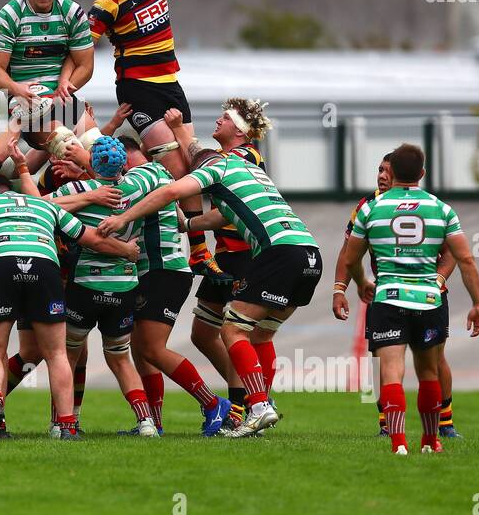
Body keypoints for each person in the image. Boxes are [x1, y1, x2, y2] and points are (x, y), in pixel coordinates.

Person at [101, 143, 322, 437]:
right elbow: (225, 215)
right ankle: (260, 406)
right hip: (309, 253)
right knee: (262, 333)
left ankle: (257, 407)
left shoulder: (218, 167)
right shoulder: (252, 172)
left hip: (278, 252)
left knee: (232, 329)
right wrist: (189, 223)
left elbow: (170, 192)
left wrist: (123, 218)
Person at [87, 0, 230, 282]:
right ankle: (198, 251)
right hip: (137, 90)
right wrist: (65, 80)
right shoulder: (109, 2)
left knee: (193, 168)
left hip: (171, 85)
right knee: (176, 164)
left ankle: (198, 244)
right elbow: (83, 44)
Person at [0, 173, 138, 441]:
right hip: (44, 265)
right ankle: (67, 426)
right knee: (56, 353)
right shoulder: (45, 205)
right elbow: (92, 239)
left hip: (1, 265)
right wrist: (126, 251)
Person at [341, 143, 479, 455]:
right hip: (429, 300)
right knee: (428, 372)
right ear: (422, 173)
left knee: (391, 370)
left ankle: (398, 444)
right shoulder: (442, 209)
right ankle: (431, 441)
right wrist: (478, 303)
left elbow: (351, 258)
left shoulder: (370, 209)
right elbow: (466, 259)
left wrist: (359, 282)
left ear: (392, 174)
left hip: (388, 298)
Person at [102, 138, 234, 438]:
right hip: (156, 272)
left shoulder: (146, 173)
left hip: (165, 272)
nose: (120, 169)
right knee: (141, 348)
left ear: (130, 157)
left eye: (122, 162)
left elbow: (113, 194)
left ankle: (214, 404)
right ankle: (153, 422)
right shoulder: (155, 174)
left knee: (152, 348)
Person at [162, 100, 271, 434]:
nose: (219, 120)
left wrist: (179, 132)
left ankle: (246, 406)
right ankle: (253, 399)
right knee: (203, 333)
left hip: (245, 256)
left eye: (226, 118)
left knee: (242, 333)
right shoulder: (227, 157)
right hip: (224, 255)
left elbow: (199, 164)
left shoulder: (246, 156)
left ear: (239, 130)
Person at [48, 137, 156, 437]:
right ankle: (146, 422)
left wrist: (87, 197)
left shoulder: (79, 189)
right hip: (124, 284)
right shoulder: (136, 188)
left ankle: (62, 423)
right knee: (120, 357)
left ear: (91, 163)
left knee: (66, 357)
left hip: (85, 284)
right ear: (124, 163)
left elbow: (42, 205)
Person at [0, 0, 95, 168]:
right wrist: (15, 88)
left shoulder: (72, 12)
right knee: (66, 143)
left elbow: (85, 65)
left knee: (98, 146)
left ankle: (11, 177)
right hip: (28, 102)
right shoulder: (8, 16)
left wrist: (67, 86)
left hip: (62, 98)